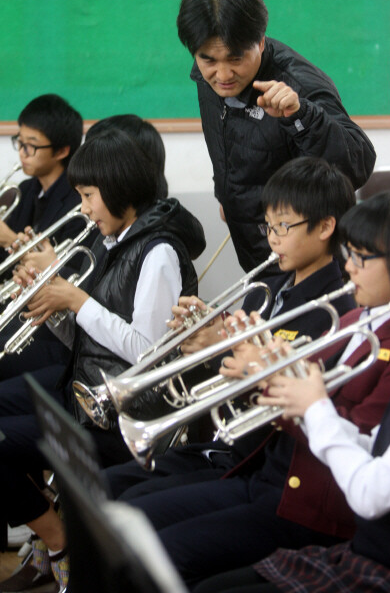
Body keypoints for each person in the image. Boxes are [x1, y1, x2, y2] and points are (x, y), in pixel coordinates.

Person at [109, 191, 390, 588]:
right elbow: (289, 400)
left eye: (362, 258)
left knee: (164, 554)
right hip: (266, 475)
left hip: (311, 506)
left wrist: (269, 377)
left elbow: (357, 439)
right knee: (131, 521)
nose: (349, 266)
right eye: (350, 253)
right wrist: (248, 361)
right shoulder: (353, 317)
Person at [196, 209, 390, 593]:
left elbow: (372, 496)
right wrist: (294, 388)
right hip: (369, 550)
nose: (351, 267)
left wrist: (316, 407)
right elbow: (382, 448)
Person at [0, 127, 205, 591]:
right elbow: (87, 341)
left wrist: (76, 301)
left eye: (88, 195)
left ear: (116, 187)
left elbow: (147, 353)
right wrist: (48, 303)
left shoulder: (159, 252)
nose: (85, 208)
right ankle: (57, 541)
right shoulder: (111, 241)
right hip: (87, 400)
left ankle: (60, 543)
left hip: (122, 420)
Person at [105, 155, 356, 501]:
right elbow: (226, 376)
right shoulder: (264, 290)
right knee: (105, 486)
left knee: (135, 507)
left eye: (283, 226)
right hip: (221, 446)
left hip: (259, 463)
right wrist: (204, 337)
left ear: (325, 227)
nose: (273, 239)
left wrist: (222, 346)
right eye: (268, 226)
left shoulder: (337, 314)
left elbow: (281, 408)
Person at [177, 0, 376, 272]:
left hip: (312, 260)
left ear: (260, 41)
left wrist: (302, 115)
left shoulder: (299, 85)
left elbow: (358, 164)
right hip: (258, 249)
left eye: (235, 58)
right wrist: (227, 192)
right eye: (209, 60)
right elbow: (229, 136)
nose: (222, 73)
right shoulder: (210, 78)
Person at [0, 93, 83, 376]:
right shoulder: (26, 191)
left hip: (45, 327)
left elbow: (73, 273)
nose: (22, 153)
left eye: (31, 146)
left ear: (61, 151)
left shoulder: (79, 202)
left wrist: (11, 240)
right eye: (19, 143)